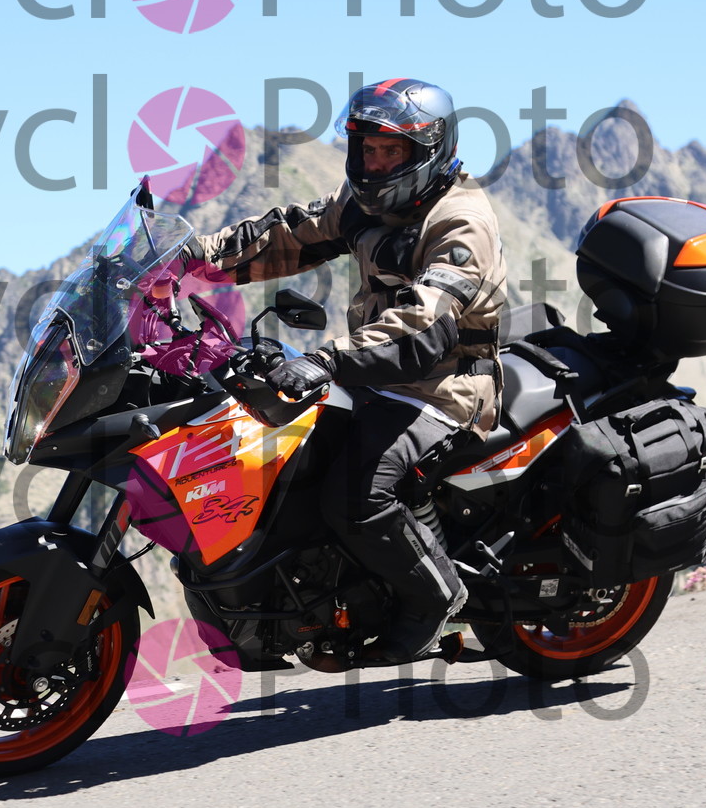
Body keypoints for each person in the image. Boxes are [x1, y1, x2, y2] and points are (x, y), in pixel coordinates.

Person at [183, 78, 508, 662]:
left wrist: (326, 359)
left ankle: (436, 601)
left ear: (429, 150)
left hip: (444, 385)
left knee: (358, 492)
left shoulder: (461, 223)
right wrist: (190, 257)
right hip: (375, 376)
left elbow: (422, 326)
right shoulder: (364, 204)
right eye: (368, 149)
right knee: (282, 460)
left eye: (392, 151)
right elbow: (287, 235)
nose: (376, 163)